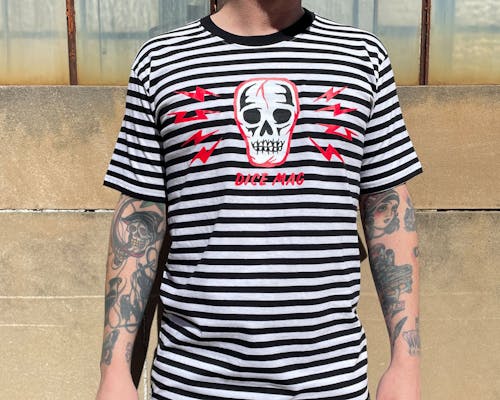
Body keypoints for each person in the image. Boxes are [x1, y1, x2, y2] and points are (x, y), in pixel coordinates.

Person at [96, 0, 422, 399]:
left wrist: (406, 364)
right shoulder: (162, 61)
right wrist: (114, 372)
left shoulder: (361, 57)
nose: (267, 128)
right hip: (191, 383)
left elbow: (387, 208)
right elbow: (140, 221)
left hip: (327, 382)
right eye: (253, 116)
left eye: (280, 116)